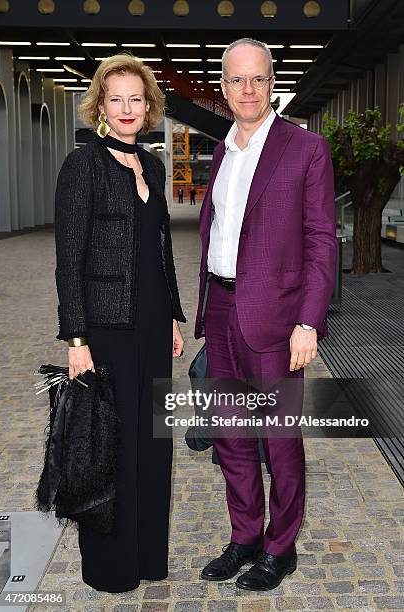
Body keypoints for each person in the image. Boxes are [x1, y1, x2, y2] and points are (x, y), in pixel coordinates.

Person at [194, 38, 336, 591]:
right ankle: (245, 536)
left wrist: (309, 321)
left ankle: (281, 547)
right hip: (223, 307)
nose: (247, 90)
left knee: (278, 438)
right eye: (235, 80)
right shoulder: (222, 150)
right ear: (223, 87)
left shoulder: (305, 149)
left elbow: (322, 239)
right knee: (231, 435)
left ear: (272, 82)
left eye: (257, 79)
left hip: (277, 319)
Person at [54, 53, 186, 593]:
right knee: (111, 447)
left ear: (149, 105)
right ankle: (111, 567)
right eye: (117, 98)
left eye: (137, 98)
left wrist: (175, 316)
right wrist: (76, 337)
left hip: (154, 328)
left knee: (154, 445)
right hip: (106, 330)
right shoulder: (82, 165)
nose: (128, 108)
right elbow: (69, 259)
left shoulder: (153, 167)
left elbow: (161, 249)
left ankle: (150, 556)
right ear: (100, 106)